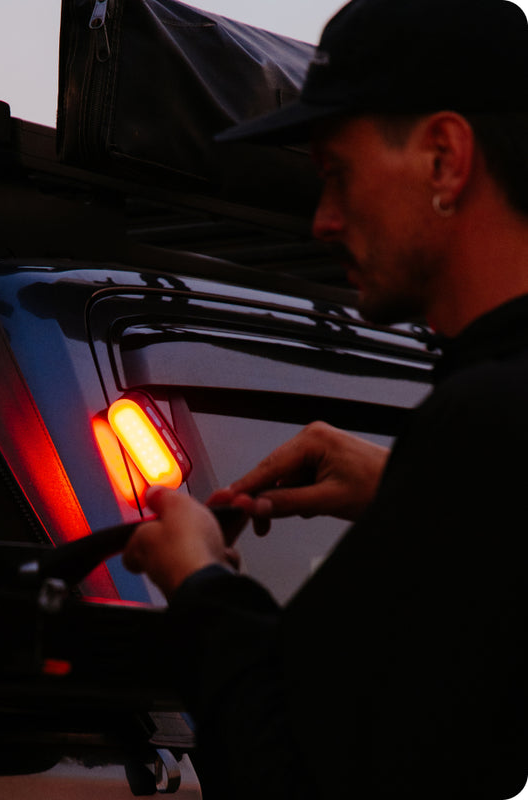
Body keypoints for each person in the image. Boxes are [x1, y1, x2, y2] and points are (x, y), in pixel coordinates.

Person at [122, 0, 528, 797]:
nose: (321, 220)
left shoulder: (487, 420)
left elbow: (301, 776)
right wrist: (409, 495)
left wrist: (201, 585)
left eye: (337, 174)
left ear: (446, 158)